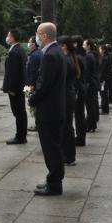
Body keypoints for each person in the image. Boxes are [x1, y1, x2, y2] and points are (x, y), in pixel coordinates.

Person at [29, 22, 66, 195]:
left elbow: (44, 85)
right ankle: (53, 180)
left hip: (49, 110)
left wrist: (32, 99)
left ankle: (54, 184)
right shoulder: (56, 51)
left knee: (51, 148)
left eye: (37, 34)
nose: (36, 37)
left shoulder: (50, 55)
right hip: (55, 108)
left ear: (44, 36)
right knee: (53, 147)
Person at [3, 29, 27, 144]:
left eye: (8, 35)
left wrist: (11, 89)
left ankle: (20, 137)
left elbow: (13, 72)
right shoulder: (20, 49)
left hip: (15, 88)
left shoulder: (14, 51)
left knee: (18, 112)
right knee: (21, 112)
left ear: (12, 37)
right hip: (20, 86)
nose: (7, 37)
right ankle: (22, 135)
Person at [59, 36, 79, 166]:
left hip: (66, 96)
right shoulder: (71, 58)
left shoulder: (66, 60)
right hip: (70, 95)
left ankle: (69, 156)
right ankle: (69, 155)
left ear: (65, 46)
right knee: (68, 126)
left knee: (66, 127)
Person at [71, 36, 87, 146]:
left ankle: (80, 138)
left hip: (78, 89)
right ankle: (81, 137)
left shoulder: (78, 57)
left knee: (79, 115)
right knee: (80, 114)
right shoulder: (82, 55)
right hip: (81, 88)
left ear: (76, 44)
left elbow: (77, 76)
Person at [83, 39, 101, 132]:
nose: (83, 46)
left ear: (88, 46)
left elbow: (87, 72)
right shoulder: (92, 55)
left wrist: (86, 84)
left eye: (84, 44)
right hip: (93, 83)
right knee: (92, 105)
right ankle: (92, 125)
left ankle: (90, 125)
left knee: (89, 106)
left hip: (90, 84)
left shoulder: (89, 56)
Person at [26, 36, 43, 132]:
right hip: (33, 83)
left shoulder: (34, 55)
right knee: (34, 104)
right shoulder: (38, 53)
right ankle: (37, 122)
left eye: (29, 42)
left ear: (33, 44)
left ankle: (37, 123)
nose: (28, 44)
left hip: (30, 84)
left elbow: (33, 72)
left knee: (32, 104)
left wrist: (31, 85)